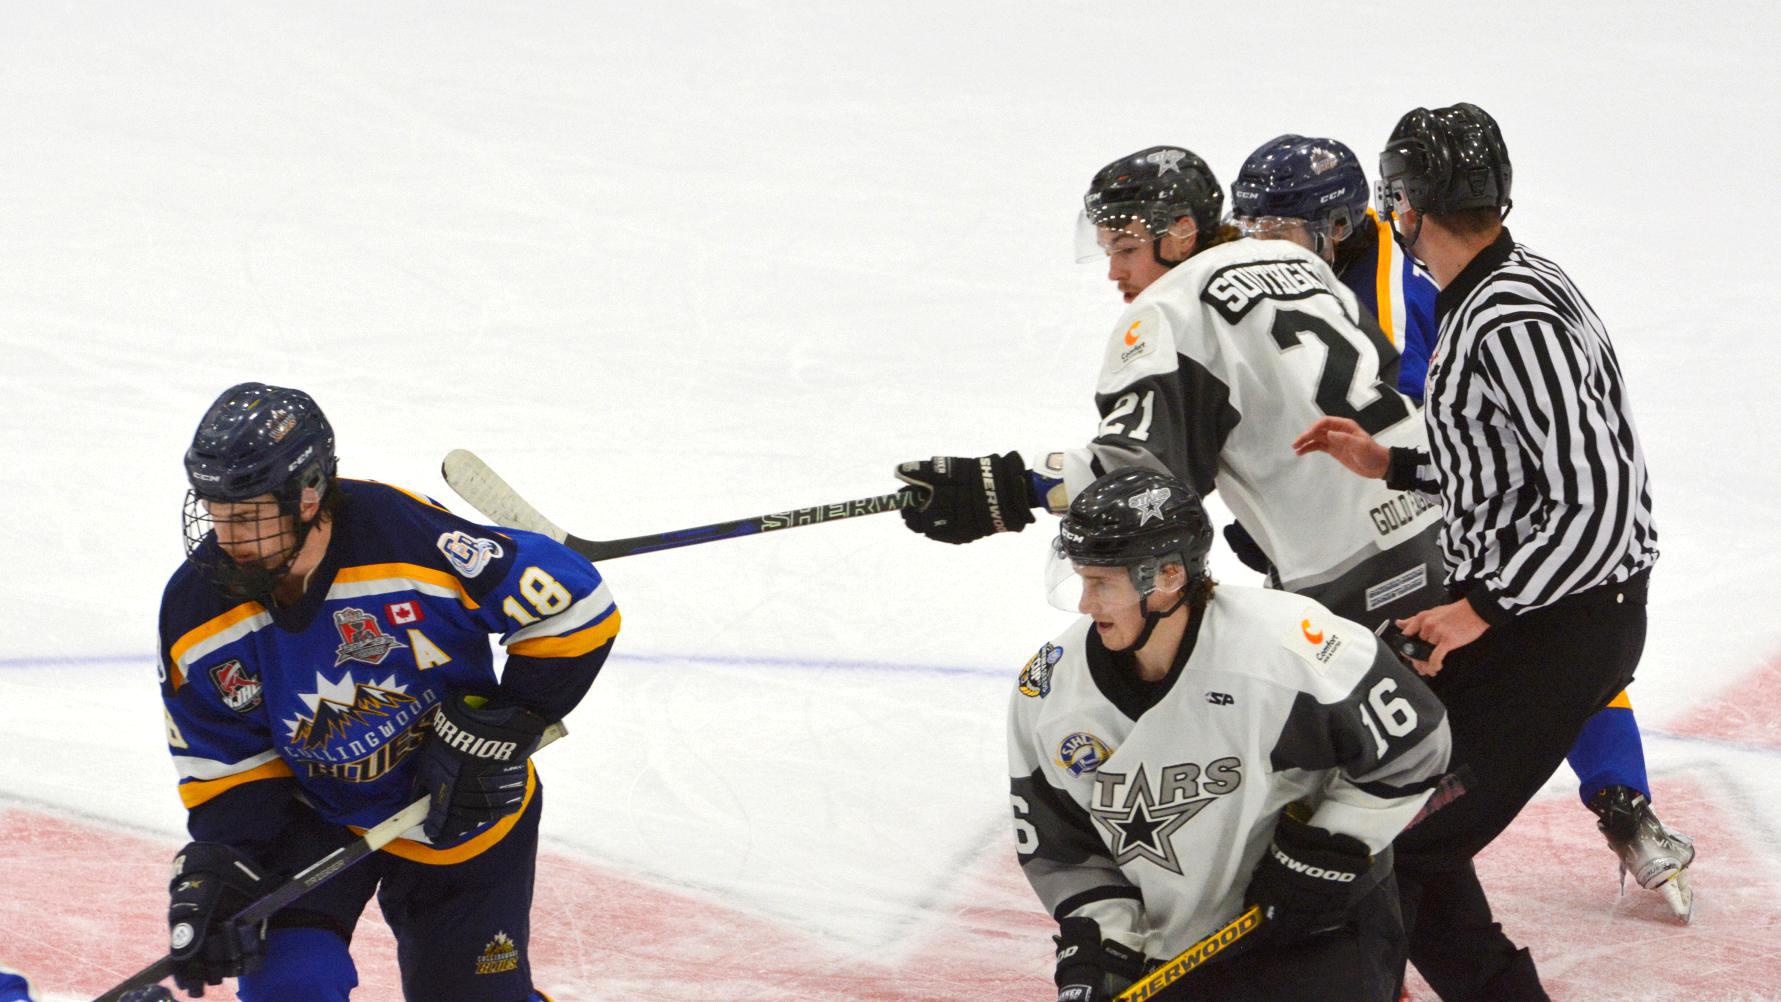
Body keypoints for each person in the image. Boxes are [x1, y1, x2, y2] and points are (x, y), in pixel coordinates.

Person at [1232, 133, 1694, 920]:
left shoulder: (1432, 297)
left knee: (1449, 726)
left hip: (1478, 547)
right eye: (1252, 229)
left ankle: (1613, 801)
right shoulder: (1475, 277)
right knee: (1497, 684)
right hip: (1482, 528)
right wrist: (1385, 466)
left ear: (1341, 222)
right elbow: (1480, 445)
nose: (1261, 247)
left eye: (1277, 229)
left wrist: (1474, 599)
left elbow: (1579, 498)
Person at [156, 383, 619, 1001]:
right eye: (216, 513)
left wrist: (503, 726)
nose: (226, 537)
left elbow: (577, 607)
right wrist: (224, 862)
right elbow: (224, 762)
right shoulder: (196, 608)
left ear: (308, 495)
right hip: (315, 815)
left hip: (463, 809)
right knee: (291, 987)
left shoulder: (403, 537)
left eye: (247, 516)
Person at [895, 143, 1447, 630]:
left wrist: (1005, 489)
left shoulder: (1168, 310)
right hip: (1444, 520)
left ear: (1182, 231)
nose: (1114, 271)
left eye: (1126, 249)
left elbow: (1143, 473)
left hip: (1349, 575)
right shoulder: (1297, 262)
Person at [1010, 468, 1451, 1001]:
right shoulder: (1051, 689)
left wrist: (1329, 849)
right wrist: (1103, 941)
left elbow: (1416, 746)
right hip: (1173, 954)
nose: (1086, 603)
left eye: (1102, 582)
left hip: (1317, 931)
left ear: (1168, 576)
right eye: (1082, 579)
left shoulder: (1285, 647)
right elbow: (1060, 844)